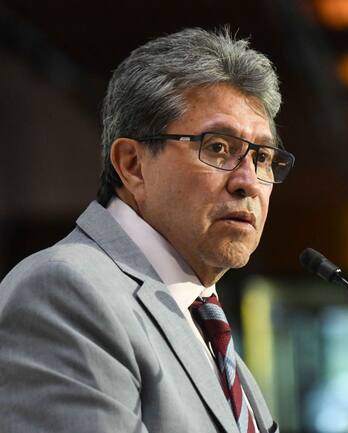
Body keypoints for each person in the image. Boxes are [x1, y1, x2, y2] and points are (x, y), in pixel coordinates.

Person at [0, 27, 294, 433]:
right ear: (133, 165)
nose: (248, 182)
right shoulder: (63, 290)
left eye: (261, 157)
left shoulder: (206, 323)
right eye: (218, 147)